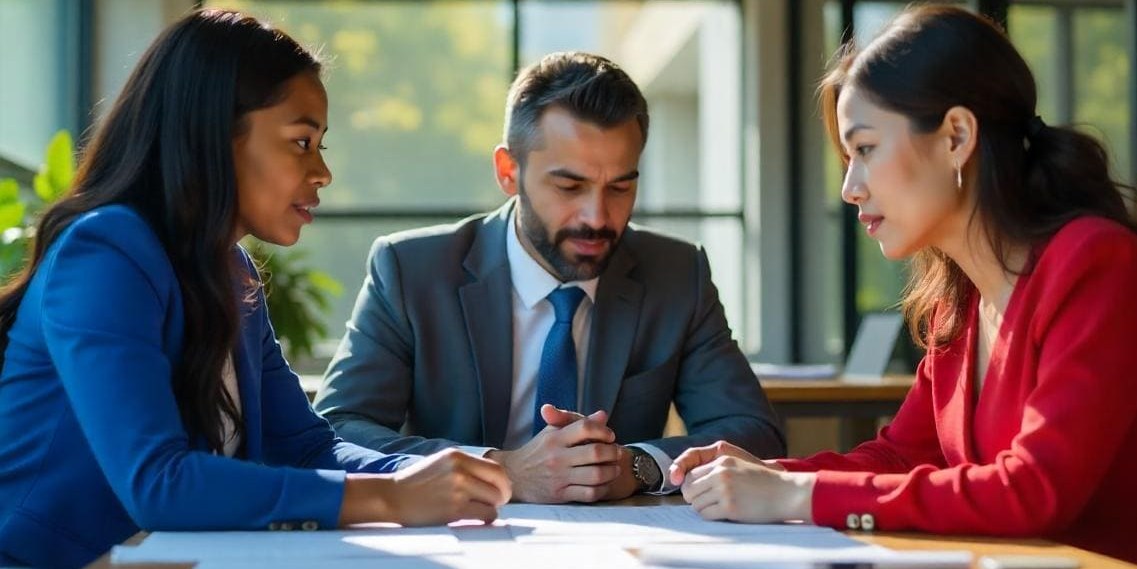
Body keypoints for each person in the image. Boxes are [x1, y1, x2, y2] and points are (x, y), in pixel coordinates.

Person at [0, 9, 510, 569]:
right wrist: (392, 498)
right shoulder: (103, 253)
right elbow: (157, 480)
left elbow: (304, 445)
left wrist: (433, 476)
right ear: (216, 137)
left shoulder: (229, 268)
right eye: (302, 142)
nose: (322, 171)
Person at [671, 4, 1137, 569]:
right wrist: (764, 473)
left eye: (864, 150)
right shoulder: (959, 299)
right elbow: (900, 456)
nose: (850, 187)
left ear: (957, 137)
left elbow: (1034, 490)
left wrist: (797, 492)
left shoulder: (1098, 265)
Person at [315, 51, 785, 504]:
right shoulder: (411, 270)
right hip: (461, 540)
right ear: (508, 171)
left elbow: (753, 431)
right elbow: (336, 430)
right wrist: (503, 470)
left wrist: (638, 466)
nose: (597, 217)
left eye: (620, 186)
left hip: (624, 548)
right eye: (569, 186)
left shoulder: (678, 274)